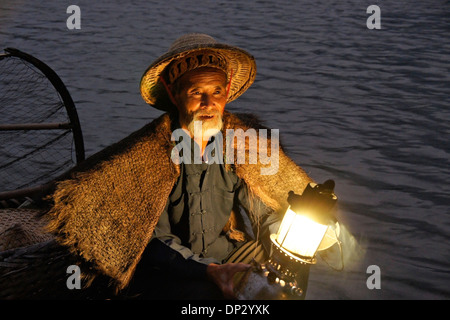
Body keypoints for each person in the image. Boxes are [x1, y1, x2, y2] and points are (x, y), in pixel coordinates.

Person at [45, 33, 316, 299]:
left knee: (282, 274)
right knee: (206, 295)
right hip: (170, 268)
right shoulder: (152, 156)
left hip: (225, 253)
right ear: (174, 95)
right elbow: (154, 242)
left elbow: (265, 209)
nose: (208, 103)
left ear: (227, 93)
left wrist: (295, 238)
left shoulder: (239, 146)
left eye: (216, 92)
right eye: (196, 92)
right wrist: (208, 271)